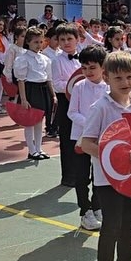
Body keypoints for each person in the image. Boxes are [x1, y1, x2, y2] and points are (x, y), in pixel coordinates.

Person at [79, 51, 131, 261]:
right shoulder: (100, 108)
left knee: (130, 225)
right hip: (107, 180)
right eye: (118, 78)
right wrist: (114, 156)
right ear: (106, 78)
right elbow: (86, 143)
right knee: (112, 226)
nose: (125, 82)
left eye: (129, 76)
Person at [67, 45, 108, 231]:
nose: (88, 72)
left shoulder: (109, 88)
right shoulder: (79, 87)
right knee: (82, 177)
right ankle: (85, 211)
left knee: (99, 175)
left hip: (102, 138)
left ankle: (97, 206)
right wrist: (90, 124)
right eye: (84, 68)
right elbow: (72, 112)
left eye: (92, 67)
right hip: (81, 138)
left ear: (102, 67)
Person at [14, 27, 56, 161]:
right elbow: (21, 80)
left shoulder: (45, 59)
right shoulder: (23, 58)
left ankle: (39, 148)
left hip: (43, 89)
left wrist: (53, 95)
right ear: (28, 42)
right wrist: (23, 99)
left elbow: (49, 79)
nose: (39, 45)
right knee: (30, 122)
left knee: (40, 121)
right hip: (31, 90)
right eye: (35, 42)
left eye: (41, 42)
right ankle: (31, 150)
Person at [53, 24, 83, 186]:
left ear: (77, 39)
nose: (66, 42)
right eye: (62, 39)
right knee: (67, 138)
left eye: (70, 38)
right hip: (65, 102)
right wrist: (74, 86)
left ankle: (82, 174)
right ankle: (69, 176)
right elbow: (57, 84)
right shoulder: (56, 61)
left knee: (83, 136)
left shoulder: (83, 58)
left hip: (83, 102)